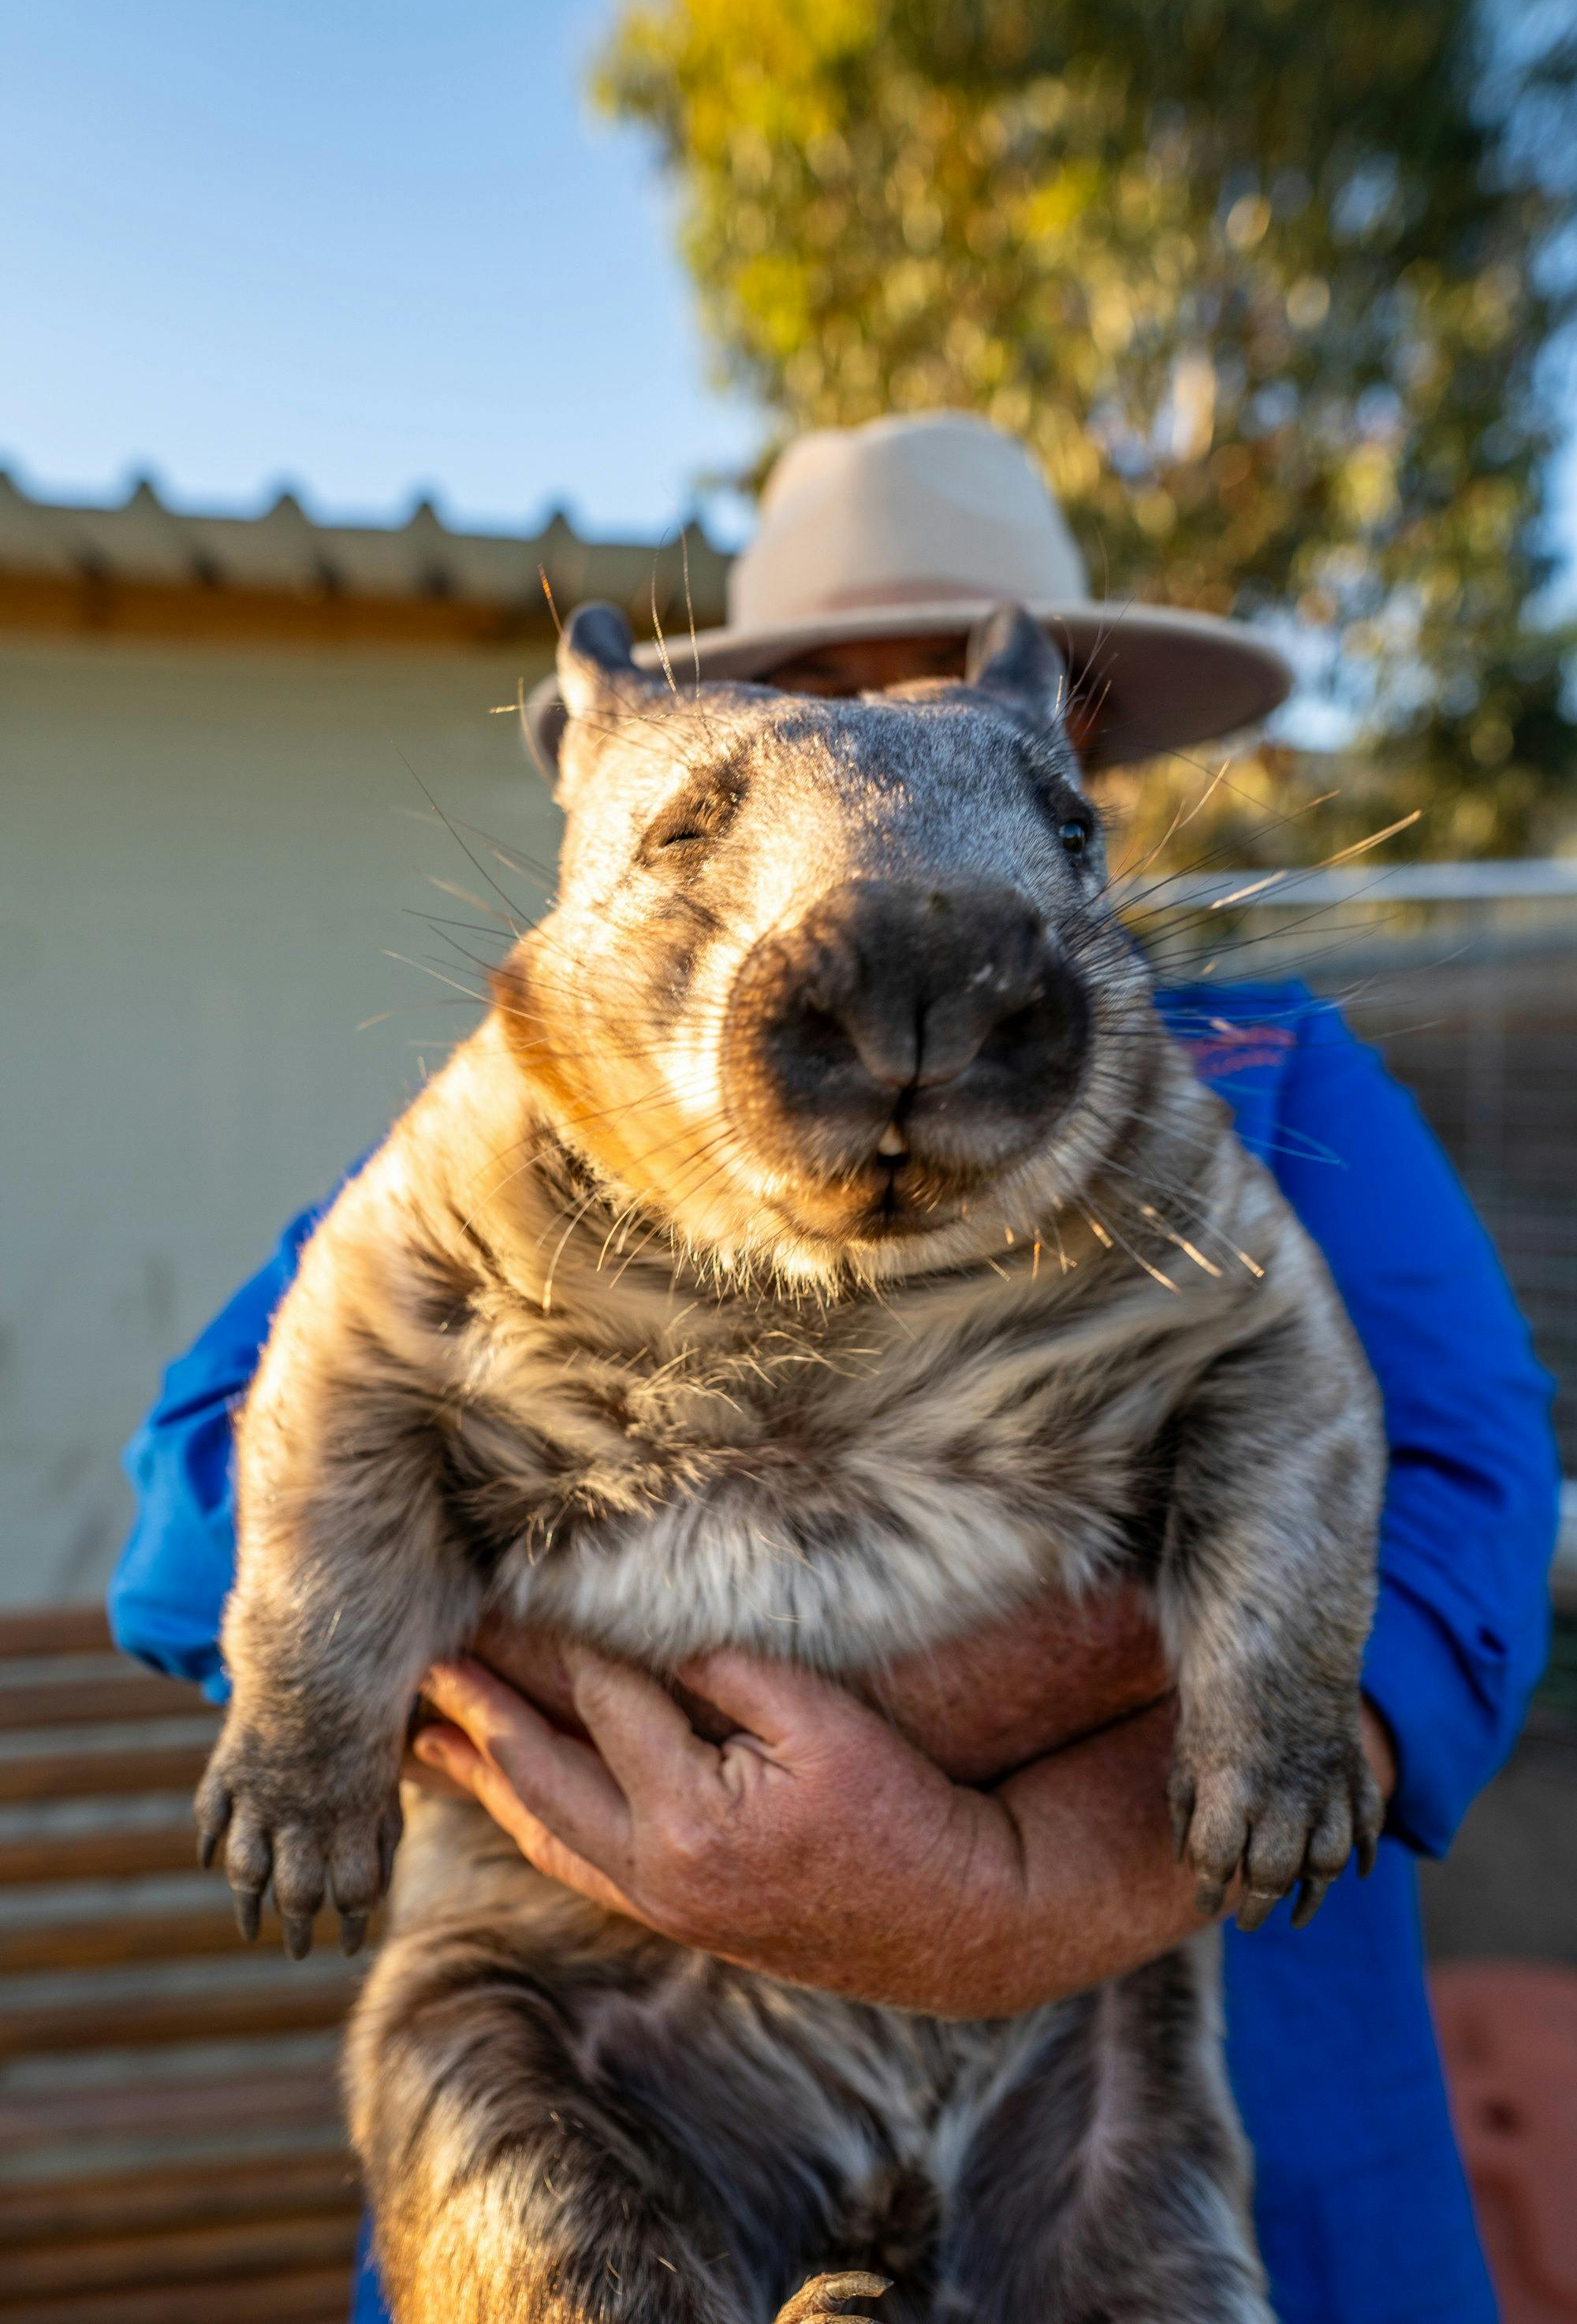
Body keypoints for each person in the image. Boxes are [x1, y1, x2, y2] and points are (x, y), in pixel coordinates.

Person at [114, 413, 1559, 2324]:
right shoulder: (546, 1104)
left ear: (1080, 758)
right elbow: (196, 1501)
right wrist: (641, 1714)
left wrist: (1044, 1875)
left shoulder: (1259, 1071)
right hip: (607, 2041)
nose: (896, 771)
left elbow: (1469, 1501)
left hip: (1133, 2052)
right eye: (824, 697)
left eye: (979, 711)